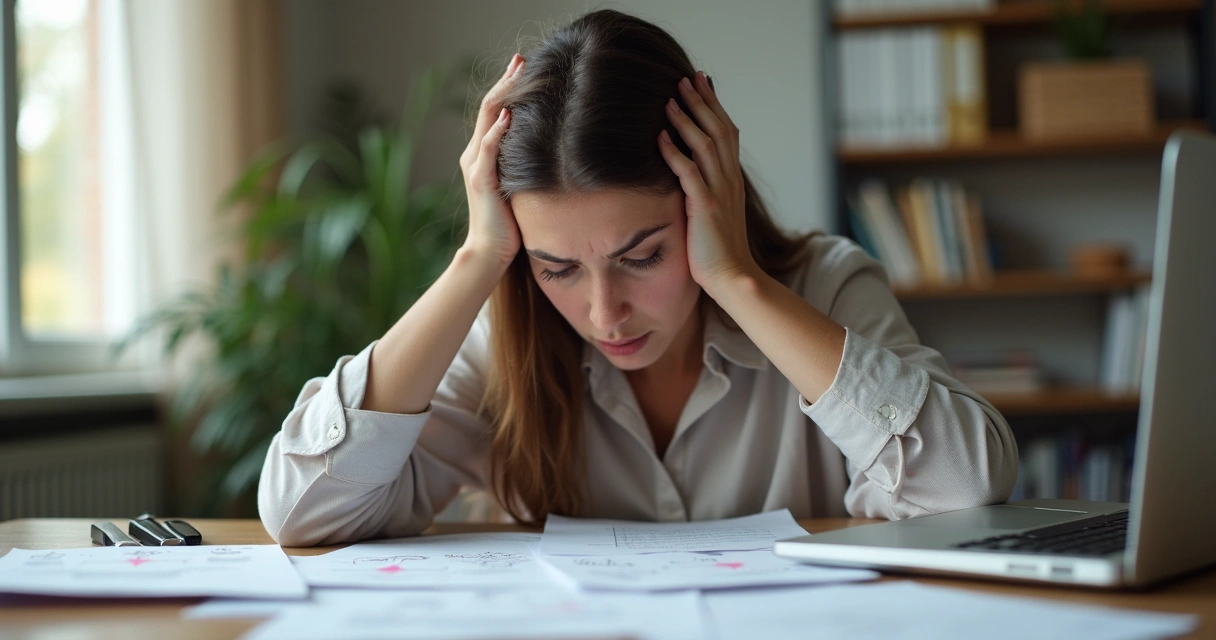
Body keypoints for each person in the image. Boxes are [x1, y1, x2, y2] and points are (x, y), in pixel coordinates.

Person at [258, 9, 1018, 546]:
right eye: (557, 267)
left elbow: (964, 490)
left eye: (642, 255)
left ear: (708, 202)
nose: (603, 312)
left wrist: (739, 281)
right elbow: (303, 513)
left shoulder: (826, 288)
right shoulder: (506, 329)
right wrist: (474, 264)